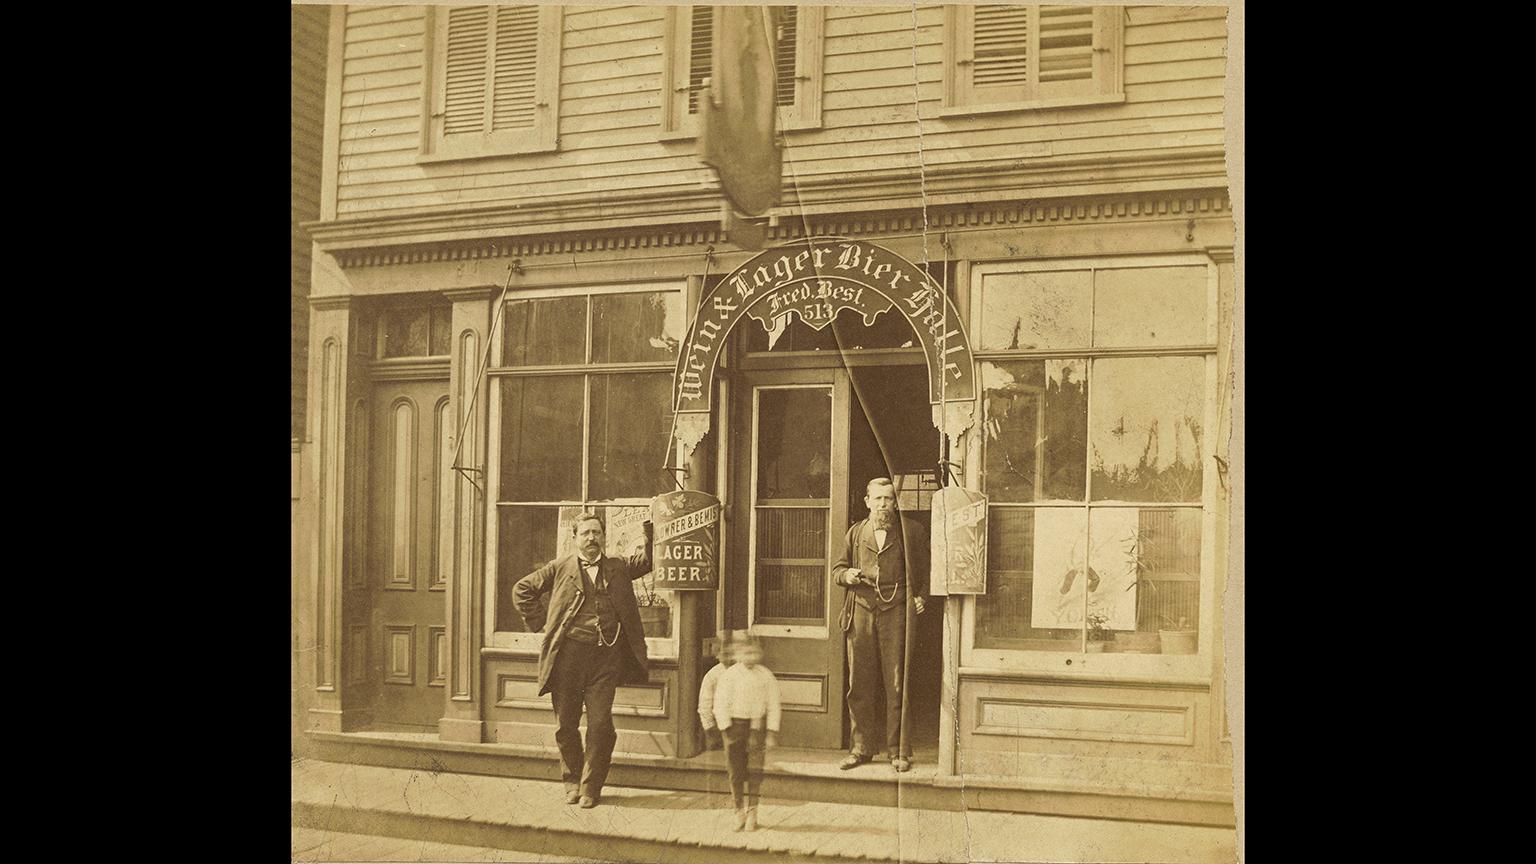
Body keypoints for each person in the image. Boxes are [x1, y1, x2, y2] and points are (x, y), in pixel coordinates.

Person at [512, 512, 652, 809]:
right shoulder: (560, 567)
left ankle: (591, 787)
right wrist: (541, 622)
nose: (592, 538)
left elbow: (649, 561)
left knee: (601, 724)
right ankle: (572, 781)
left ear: (604, 537)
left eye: (597, 533)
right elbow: (521, 590)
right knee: (566, 724)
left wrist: (652, 529)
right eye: (586, 533)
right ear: (574, 538)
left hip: (606, 658)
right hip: (569, 658)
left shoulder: (618, 567)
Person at [832, 477, 928, 773]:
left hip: (896, 611)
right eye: (878, 499)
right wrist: (847, 576)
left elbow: (926, 569)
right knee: (858, 683)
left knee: (897, 682)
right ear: (867, 502)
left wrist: (921, 596)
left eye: (888, 499)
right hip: (860, 611)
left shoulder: (911, 531)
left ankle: (899, 751)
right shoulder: (855, 532)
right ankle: (861, 749)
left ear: (895, 502)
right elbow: (837, 569)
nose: (883, 505)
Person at [711, 630, 781, 831]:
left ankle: (753, 811)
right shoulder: (730, 676)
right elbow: (720, 703)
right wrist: (725, 728)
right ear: (736, 653)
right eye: (745, 653)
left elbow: (774, 705)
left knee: (754, 770)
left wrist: (771, 733)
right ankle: (738, 810)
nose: (750, 658)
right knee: (735, 770)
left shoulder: (766, 676)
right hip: (734, 727)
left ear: (760, 653)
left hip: (756, 727)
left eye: (754, 653)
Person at [697, 630, 736, 752]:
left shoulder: (743, 673)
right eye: (725, 654)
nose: (730, 658)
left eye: (733, 654)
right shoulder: (713, 676)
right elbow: (705, 705)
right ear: (717, 654)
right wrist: (710, 729)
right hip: (717, 727)